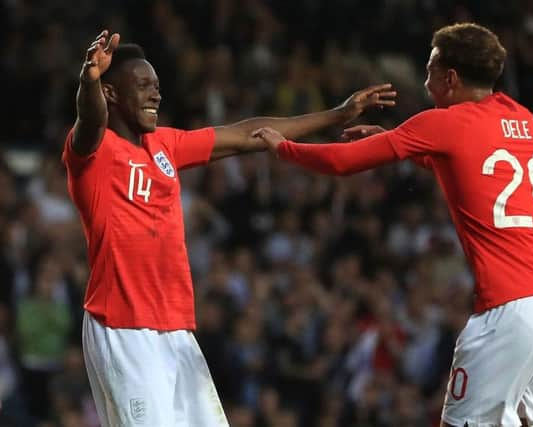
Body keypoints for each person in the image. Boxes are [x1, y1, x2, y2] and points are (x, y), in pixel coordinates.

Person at [253, 22, 533, 427]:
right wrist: (397, 141)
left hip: (514, 305)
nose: (424, 78)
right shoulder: (526, 121)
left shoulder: (442, 123)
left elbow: (341, 162)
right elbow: (469, 168)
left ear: (450, 77)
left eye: (429, 68)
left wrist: (284, 148)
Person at [63, 29, 396, 427]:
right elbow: (89, 119)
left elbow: (246, 134)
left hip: (174, 324)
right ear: (112, 93)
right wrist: (89, 81)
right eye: (143, 86)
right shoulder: (92, 151)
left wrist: (336, 115)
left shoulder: (165, 145)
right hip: (121, 324)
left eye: (157, 86)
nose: (156, 95)